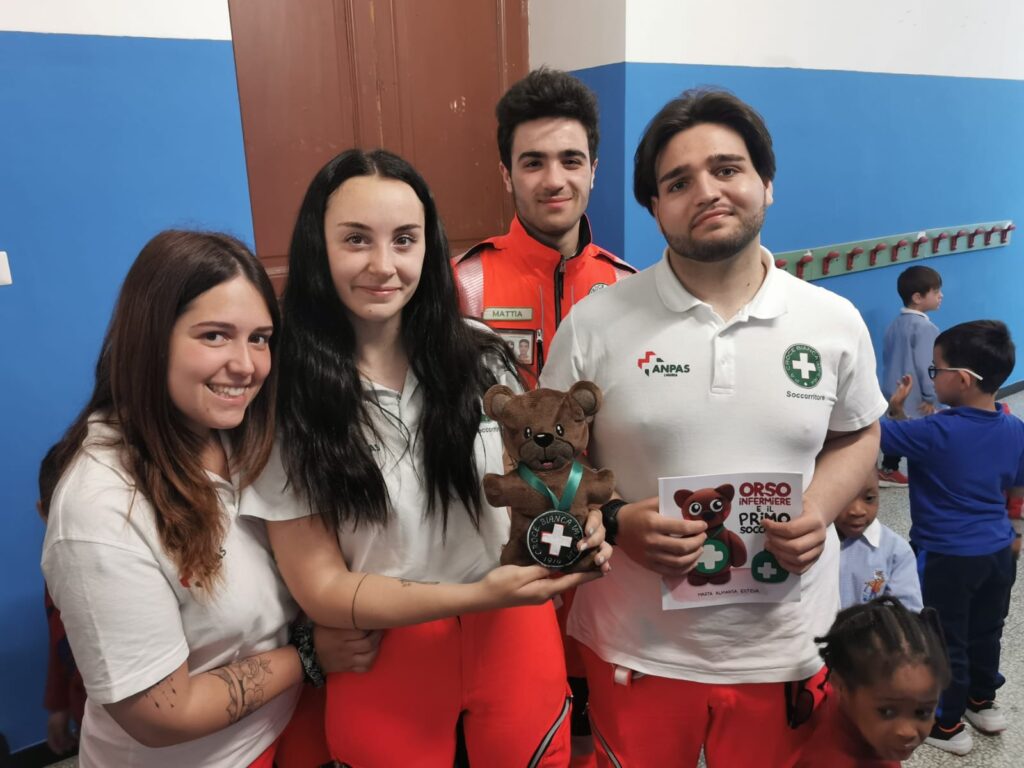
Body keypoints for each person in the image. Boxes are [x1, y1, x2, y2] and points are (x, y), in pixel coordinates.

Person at [539, 87, 888, 767]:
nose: (707, 191)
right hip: (635, 646)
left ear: (766, 183)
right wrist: (616, 520)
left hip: (786, 646)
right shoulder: (595, 324)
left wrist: (820, 508)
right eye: (678, 182)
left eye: (727, 169)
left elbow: (857, 433)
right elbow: (546, 463)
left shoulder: (833, 321)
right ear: (654, 206)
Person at [240, 148, 612, 767]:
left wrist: (580, 518)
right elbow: (323, 589)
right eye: (356, 239)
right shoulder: (288, 393)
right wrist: (476, 597)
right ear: (317, 248)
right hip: (386, 652)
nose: (383, 265)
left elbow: (536, 476)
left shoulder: (481, 354)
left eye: (404, 240)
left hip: (514, 632)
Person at [39, 230, 373, 768]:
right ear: (151, 340)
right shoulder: (100, 508)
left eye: (260, 338)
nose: (247, 365)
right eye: (215, 335)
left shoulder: (243, 437)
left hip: (290, 727)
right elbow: (162, 714)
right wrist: (309, 658)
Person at [880, 319, 1024, 755]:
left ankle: (945, 723)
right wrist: (1017, 532)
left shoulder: (934, 431)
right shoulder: (1014, 426)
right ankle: (982, 701)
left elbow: (878, 437)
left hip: (946, 556)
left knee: (943, 637)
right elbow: (1018, 487)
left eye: (935, 370)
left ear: (961, 379)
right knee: (988, 629)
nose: (932, 378)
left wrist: (893, 408)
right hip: (1000, 552)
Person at [452, 67, 634, 381]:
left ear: (592, 171)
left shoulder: (627, 286)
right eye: (534, 163)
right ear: (507, 175)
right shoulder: (461, 284)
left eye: (571, 161)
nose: (554, 181)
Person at [798, 596, 950, 767]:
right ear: (840, 686)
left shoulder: (839, 700)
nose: (907, 732)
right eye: (887, 711)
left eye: (922, 712)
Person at [37, 448, 86, 757]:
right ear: (44, 513)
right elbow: (61, 642)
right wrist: (59, 706)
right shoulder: (55, 573)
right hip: (89, 720)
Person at [878, 265, 943, 487]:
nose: (941, 296)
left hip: (893, 389)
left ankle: (888, 470)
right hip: (916, 394)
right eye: (936, 292)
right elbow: (928, 366)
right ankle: (927, 473)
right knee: (923, 432)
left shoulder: (894, 325)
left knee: (898, 427)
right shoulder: (926, 328)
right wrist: (932, 397)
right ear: (917, 297)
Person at [836, 467, 922, 611]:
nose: (857, 511)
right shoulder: (808, 542)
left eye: (869, 498)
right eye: (846, 498)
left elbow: (908, 615)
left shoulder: (896, 551)